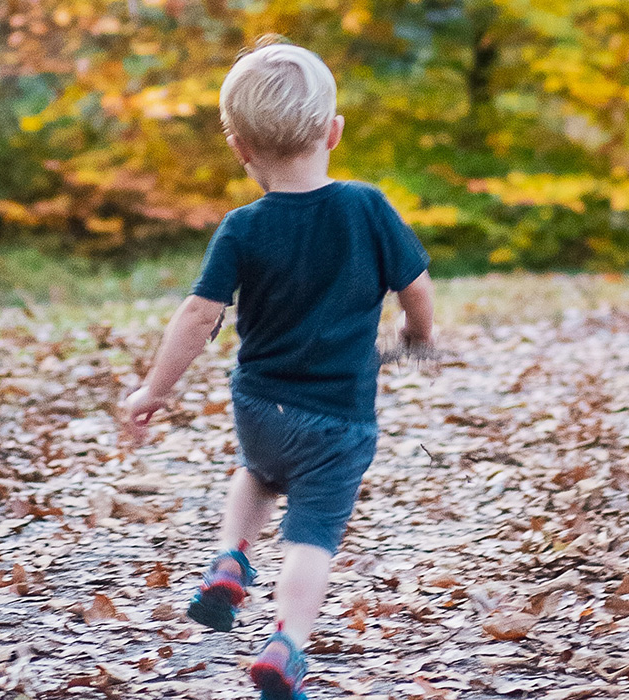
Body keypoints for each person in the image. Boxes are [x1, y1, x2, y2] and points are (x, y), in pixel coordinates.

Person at [117, 36, 434, 700]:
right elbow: (417, 285)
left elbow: (198, 317)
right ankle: (287, 643)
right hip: (341, 422)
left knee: (258, 472)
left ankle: (230, 561)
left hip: (260, 409)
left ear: (239, 147)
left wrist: (154, 389)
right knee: (311, 535)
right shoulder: (368, 208)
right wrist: (415, 335)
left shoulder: (241, 227)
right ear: (334, 131)